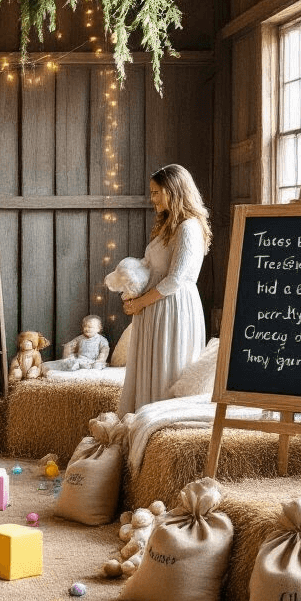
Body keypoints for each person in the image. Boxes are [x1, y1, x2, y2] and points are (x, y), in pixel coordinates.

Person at [117, 164, 211, 415]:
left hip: (173, 307)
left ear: (174, 190)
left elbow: (176, 279)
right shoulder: (170, 224)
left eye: (157, 192)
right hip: (156, 305)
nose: (152, 198)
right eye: (152, 192)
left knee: (166, 368)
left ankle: (157, 421)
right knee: (150, 368)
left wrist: (139, 303)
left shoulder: (189, 227)